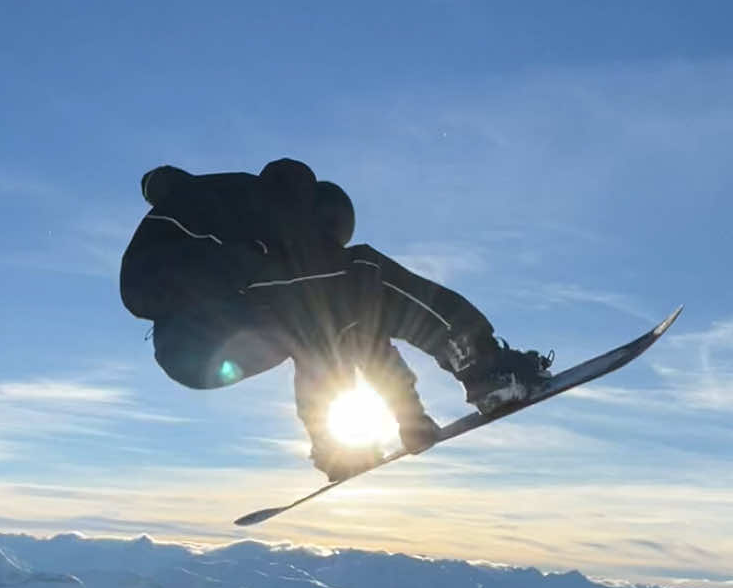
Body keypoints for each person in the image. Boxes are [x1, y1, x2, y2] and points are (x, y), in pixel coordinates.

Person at [119, 158, 553, 481]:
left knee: (315, 329)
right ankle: (486, 369)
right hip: (209, 317)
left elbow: (340, 341)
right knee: (367, 275)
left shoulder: (223, 204)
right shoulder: (289, 231)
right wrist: (409, 416)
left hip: (190, 348)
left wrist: (401, 421)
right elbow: (365, 338)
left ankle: (336, 447)